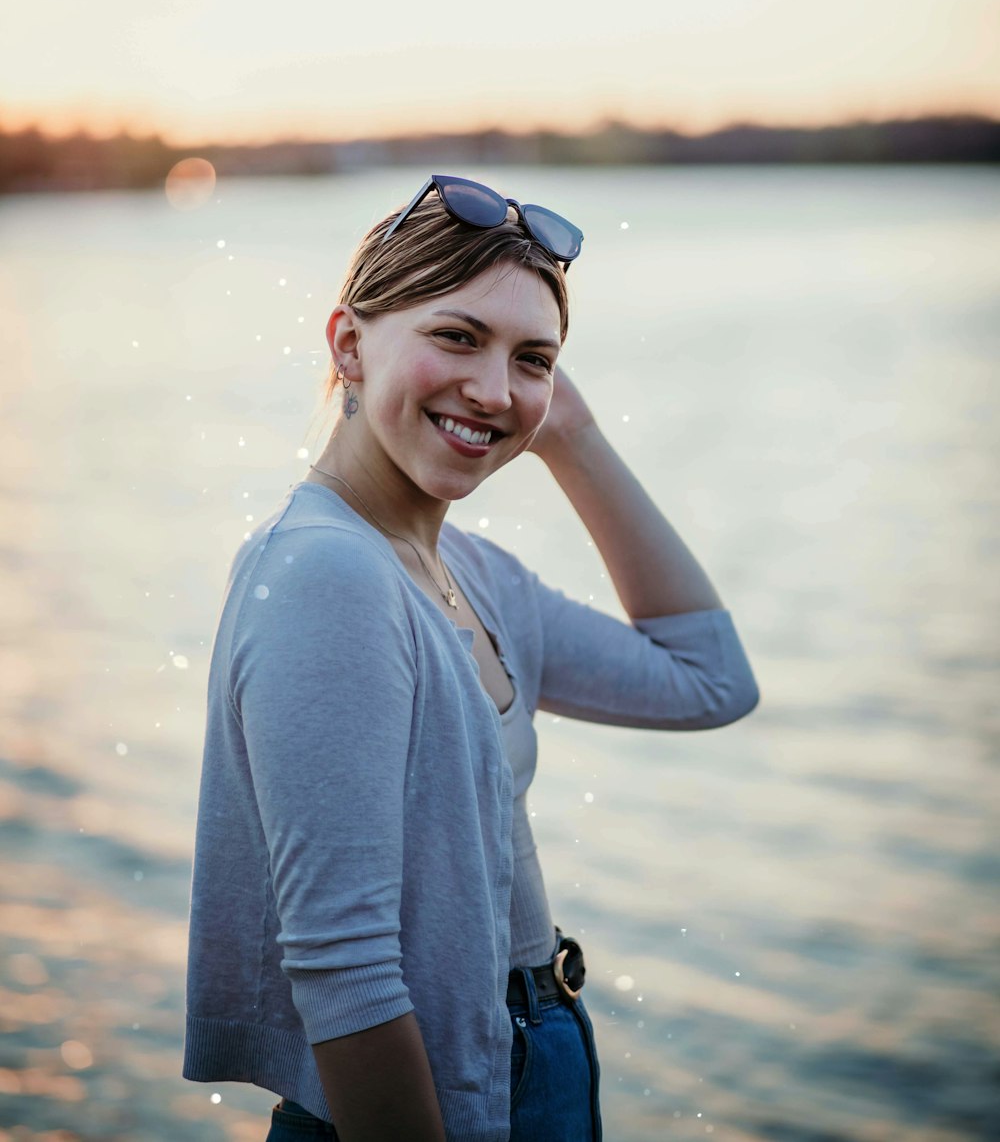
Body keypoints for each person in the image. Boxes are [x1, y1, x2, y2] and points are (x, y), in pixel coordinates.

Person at [182, 173, 760, 1142]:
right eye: (456, 337)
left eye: (530, 359)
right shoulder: (330, 575)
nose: (493, 390)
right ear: (348, 344)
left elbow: (709, 679)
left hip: (531, 1051)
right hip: (436, 1096)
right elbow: (347, 974)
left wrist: (565, 433)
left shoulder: (468, 574)